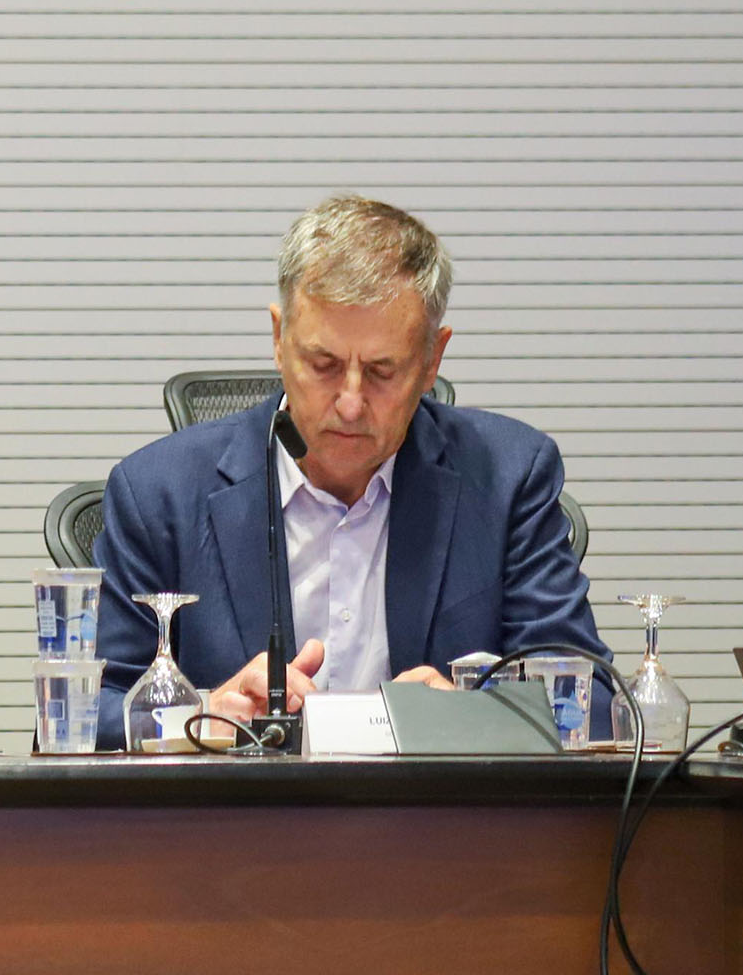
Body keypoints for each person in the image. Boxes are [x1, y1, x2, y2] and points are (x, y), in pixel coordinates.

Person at [94, 195, 606, 743]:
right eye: (324, 365)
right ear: (278, 340)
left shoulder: (508, 478)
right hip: (242, 799)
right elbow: (89, 713)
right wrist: (203, 712)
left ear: (432, 360)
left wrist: (470, 717)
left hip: (435, 799)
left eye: (383, 371)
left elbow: (593, 703)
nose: (351, 403)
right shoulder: (158, 493)